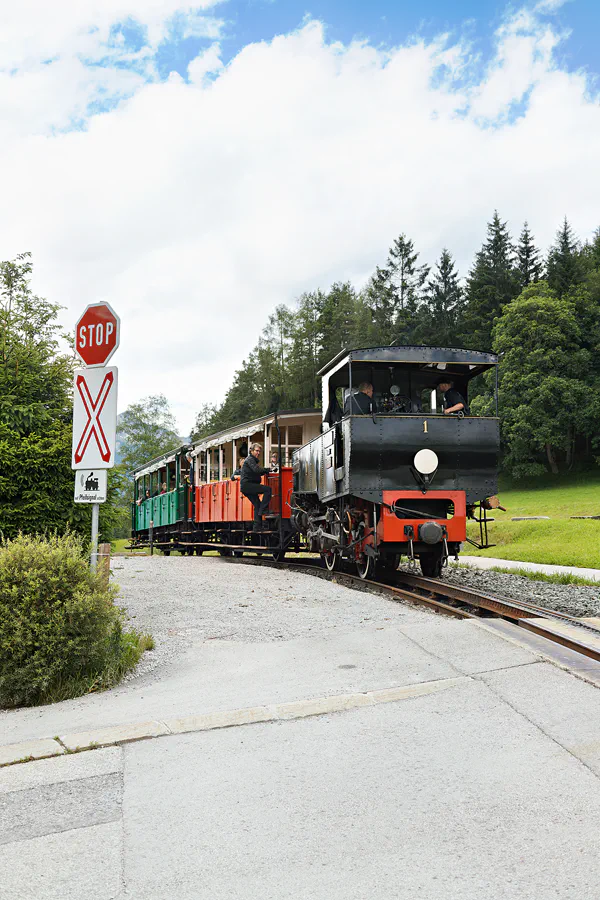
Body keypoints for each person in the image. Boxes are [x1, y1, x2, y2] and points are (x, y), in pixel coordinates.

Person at [240, 443, 272, 532]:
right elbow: (256, 470)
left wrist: (265, 471)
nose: (258, 453)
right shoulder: (250, 459)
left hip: (246, 486)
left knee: (257, 505)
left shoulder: (251, 460)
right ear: (251, 451)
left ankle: (257, 527)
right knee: (268, 490)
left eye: (259, 451)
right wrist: (268, 470)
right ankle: (263, 510)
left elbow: (257, 472)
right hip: (248, 485)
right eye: (257, 451)